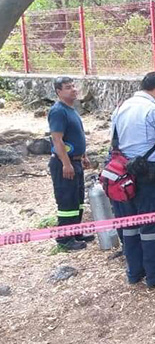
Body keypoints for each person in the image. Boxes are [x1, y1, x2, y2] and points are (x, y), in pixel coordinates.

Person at [110, 72, 155, 287]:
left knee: (130, 224)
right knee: (154, 225)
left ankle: (135, 272)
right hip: (149, 174)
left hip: (122, 173)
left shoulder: (121, 107)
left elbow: (114, 141)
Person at [48, 77, 94, 251]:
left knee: (77, 199)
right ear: (59, 91)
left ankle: (75, 231)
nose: (73, 89)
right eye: (68, 87)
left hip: (76, 161)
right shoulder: (58, 111)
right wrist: (66, 164)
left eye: (73, 86)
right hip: (64, 163)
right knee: (67, 200)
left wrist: (83, 156)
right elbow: (57, 140)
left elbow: (75, 136)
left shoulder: (71, 110)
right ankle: (64, 238)